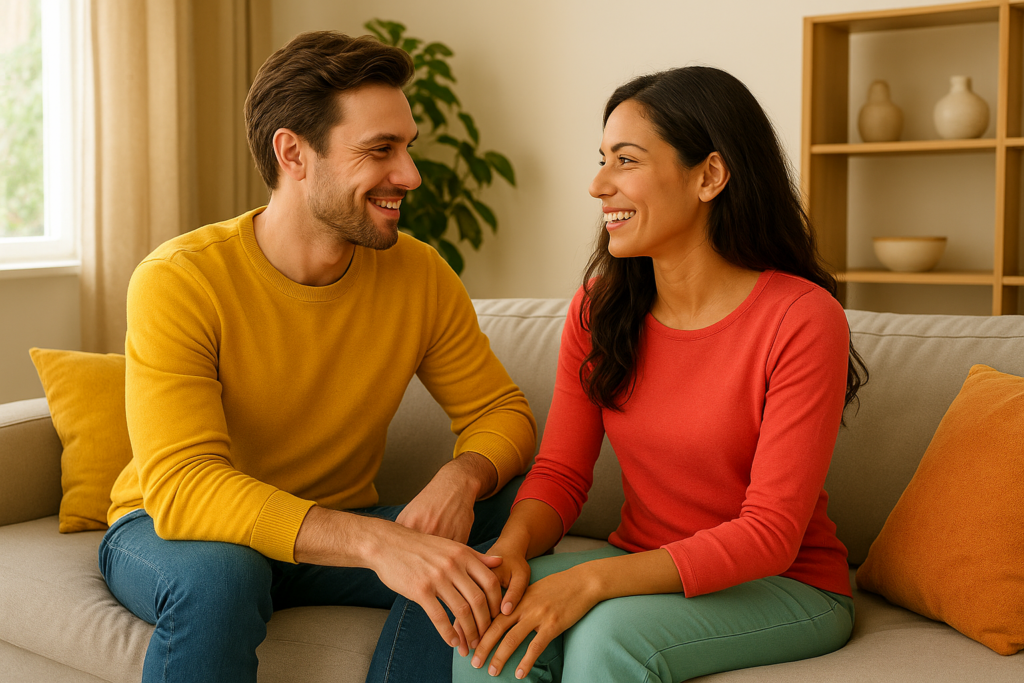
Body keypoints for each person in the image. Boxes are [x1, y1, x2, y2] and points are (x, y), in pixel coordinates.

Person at [97, 31, 537, 683]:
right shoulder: (181, 278)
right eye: (380, 150)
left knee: (515, 510)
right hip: (173, 532)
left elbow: (502, 411)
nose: (410, 175)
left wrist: (463, 477)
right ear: (293, 153)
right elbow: (186, 486)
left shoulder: (419, 274)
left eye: (407, 148)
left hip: (328, 533)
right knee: (226, 570)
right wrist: (378, 542)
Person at [454, 66, 869, 683]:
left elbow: (770, 534)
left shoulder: (802, 318)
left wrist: (593, 579)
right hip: (642, 565)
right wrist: (510, 550)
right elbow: (563, 473)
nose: (598, 185)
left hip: (787, 585)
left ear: (709, 176)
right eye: (601, 160)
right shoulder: (599, 309)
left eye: (626, 160)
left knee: (610, 637)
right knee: (492, 609)